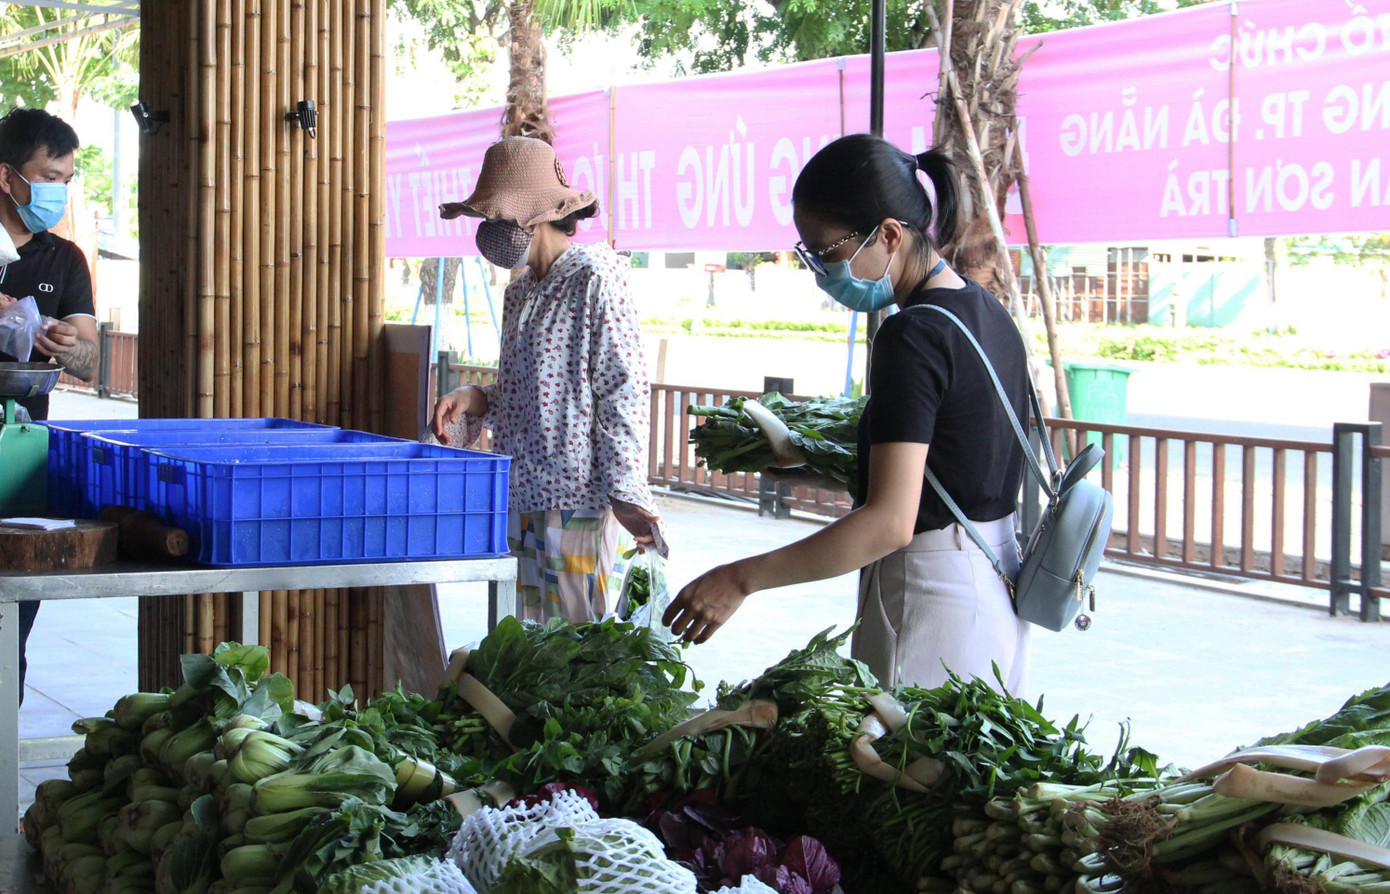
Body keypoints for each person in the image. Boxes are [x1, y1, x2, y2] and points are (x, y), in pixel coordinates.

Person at [663, 134, 1032, 692]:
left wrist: (740, 579)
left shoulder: (913, 336)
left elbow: (891, 522)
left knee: (899, 766)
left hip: (932, 601)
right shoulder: (986, 313)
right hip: (993, 588)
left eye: (828, 253)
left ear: (888, 234)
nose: (821, 272)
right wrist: (806, 464)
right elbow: (953, 471)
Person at [432, 136, 664, 624]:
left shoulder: (595, 276)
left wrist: (626, 490)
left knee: (581, 645)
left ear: (534, 215)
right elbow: (522, 394)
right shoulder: (519, 291)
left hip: (578, 502)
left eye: (496, 217)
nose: (488, 230)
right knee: (532, 640)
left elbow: (623, 389)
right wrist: (472, 398)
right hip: (522, 493)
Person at [0, 108, 99, 706]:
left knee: (12, 617)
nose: (57, 191)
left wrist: (72, 346)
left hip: (25, 458)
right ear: (7, 177)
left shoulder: (64, 260)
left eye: (66, 178)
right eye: (47, 176)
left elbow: (89, 359)